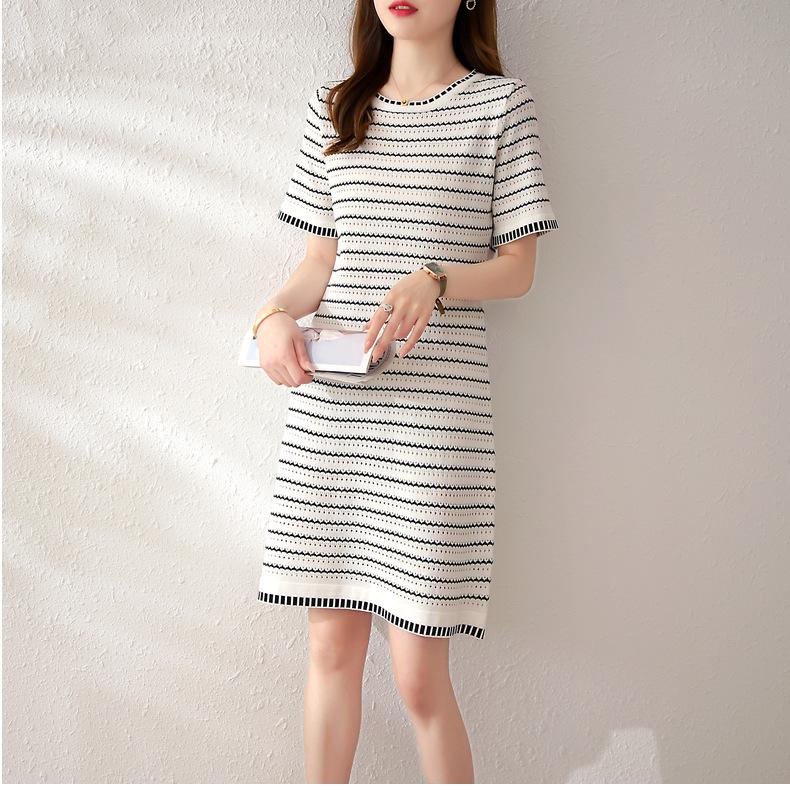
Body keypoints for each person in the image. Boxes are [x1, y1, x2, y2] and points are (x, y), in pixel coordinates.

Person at [252, 0, 559, 782]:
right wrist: (272, 316)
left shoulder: (500, 106)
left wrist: (436, 279)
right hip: (332, 411)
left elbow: (519, 270)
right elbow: (319, 262)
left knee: (419, 677)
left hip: (435, 420)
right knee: (329, 650)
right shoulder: (336, 107)